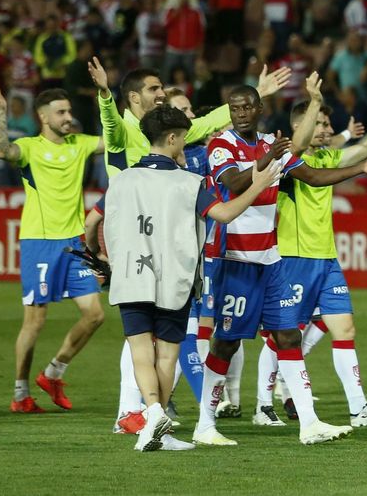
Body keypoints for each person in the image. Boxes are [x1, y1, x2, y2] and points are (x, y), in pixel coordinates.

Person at [190, 83, 367, 447]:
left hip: (270, 259)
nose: (240, 113)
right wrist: (268, 157)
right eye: (234, 107)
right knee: (226, 344)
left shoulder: (273, 143)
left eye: (246, 107)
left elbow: (314, 178)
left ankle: (310, 423)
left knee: (289, 335)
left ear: (258, 109)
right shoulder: (222, 145)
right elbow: (236, 184)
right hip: (232, 259)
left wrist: (362, 168)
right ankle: (205, 425)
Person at [95, 59, 292, 430]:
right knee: (162, 343)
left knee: (141, 339)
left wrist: (101, 255)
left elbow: (93, 221)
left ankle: (147, 412)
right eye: (155, 89)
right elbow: (109, 122)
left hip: (146, 251)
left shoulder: (143, 158)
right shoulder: (143, 144)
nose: (161, 93)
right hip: (157, 251)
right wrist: (105, 94)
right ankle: (138, 411)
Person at [274, 75, 367, 428]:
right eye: (318, 123)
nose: (325, 129)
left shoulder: (329, 157)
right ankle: (268, 401)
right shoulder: (288, 161)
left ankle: (358, 407)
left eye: (325, 123)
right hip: (294, 257)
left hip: (326, 257)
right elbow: (313, 158)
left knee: (345, 329)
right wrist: (314, 100)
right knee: (285, 335)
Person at [0, 85, 107, 414]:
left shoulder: (81, 145)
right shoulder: (30, 147)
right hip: (39, 242)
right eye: (61, 112)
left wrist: (108, 98)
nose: (69, 118)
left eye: (70, 111)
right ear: (43, 117)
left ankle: (53, 373)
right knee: (35, 322)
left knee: (96, 315)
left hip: (74, 243)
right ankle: (20, 394)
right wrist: (2, 112)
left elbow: (117, 140)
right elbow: (3, 151)